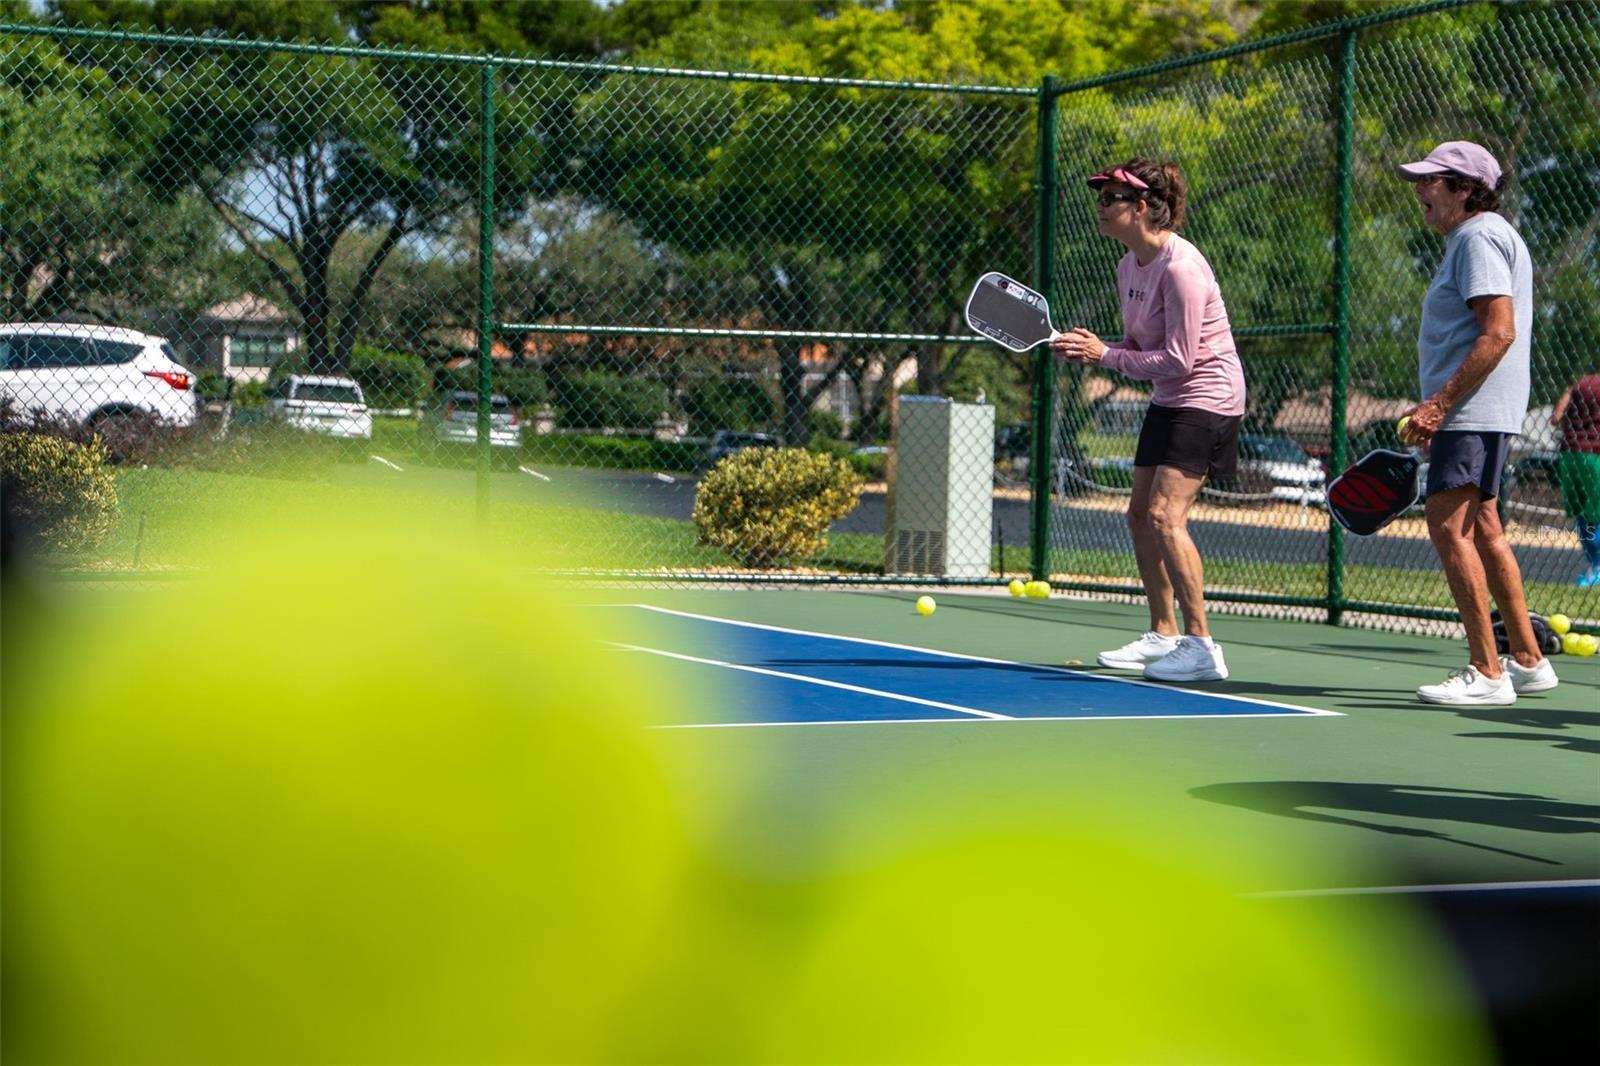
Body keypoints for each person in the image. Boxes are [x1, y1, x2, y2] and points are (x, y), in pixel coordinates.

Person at [1052, 159, 1246, 682]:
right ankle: (1163, 633)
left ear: (1140, 207)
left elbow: (1182, 359)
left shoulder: (1182, 268)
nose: (1100, 206)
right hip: (1169, 397)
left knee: (1165, 516)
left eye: (1110, 198)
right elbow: (1139, 349)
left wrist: (1105, 357)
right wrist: (1091, 349)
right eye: (1100, 197)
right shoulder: (1126, 267)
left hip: (1208, 396)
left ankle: (1202, 645)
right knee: (1138, 515)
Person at [1395, 140, 1557, 704]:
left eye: (1431, 181)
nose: (1419, 191)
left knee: (1447, 526)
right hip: (1483, 410)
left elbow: (1498, 330)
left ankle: (1487, 670)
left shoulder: (1477, 236)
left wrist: (1438, 405)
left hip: (1471, 412)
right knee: (1484, 527)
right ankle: (1529, 662)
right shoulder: (1481, 236)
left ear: (1465, 191)